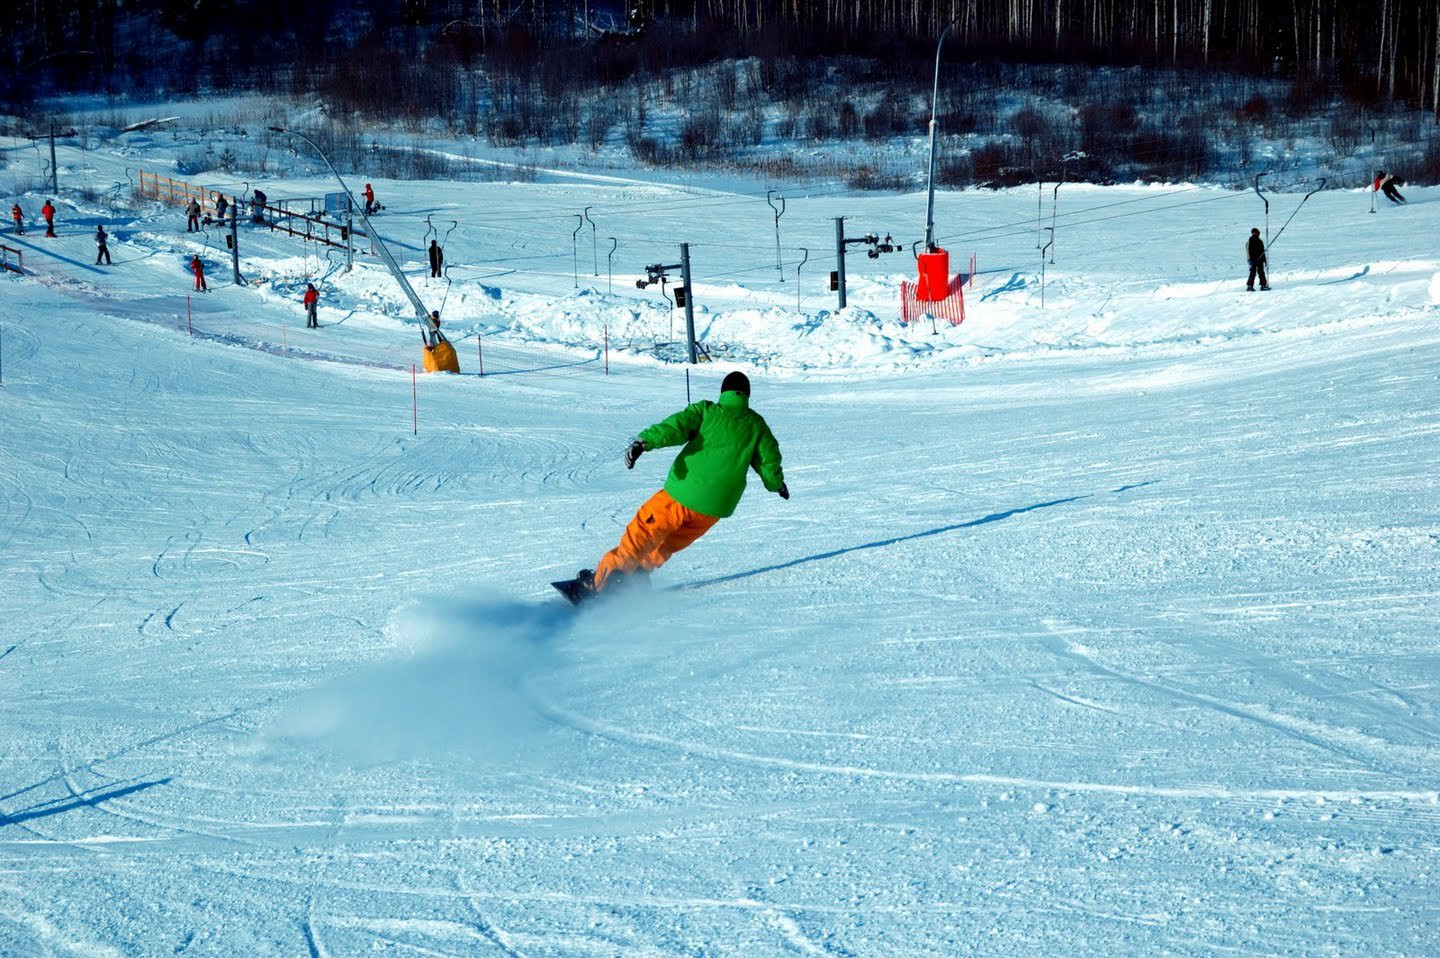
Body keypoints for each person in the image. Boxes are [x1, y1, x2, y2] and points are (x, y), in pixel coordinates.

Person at [577, 371, 788, 596]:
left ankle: (601, 585)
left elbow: (674, 427)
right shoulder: (757, 425)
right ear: (747, 395)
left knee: (642, 533)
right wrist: (777, 484)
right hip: (714, 510)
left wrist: (643, 442)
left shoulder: (707, 411)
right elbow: (769, 460)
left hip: (683, 494)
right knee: (667, 544)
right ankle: (637, 576)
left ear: (722, 392)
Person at [1245, 228, 1269, 292]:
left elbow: (1262, 251)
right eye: (1257, 232)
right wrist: (1250, 260)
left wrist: (1265, 260)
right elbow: (1248, 252)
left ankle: (1263, 285)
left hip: (1260, 260)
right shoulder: (1250, 241)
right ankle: (1249, 286)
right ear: (1254, 233)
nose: (1258, 233)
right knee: (1252, 273)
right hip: (1253, 260)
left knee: (1261, 272)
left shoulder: (1260, 241)